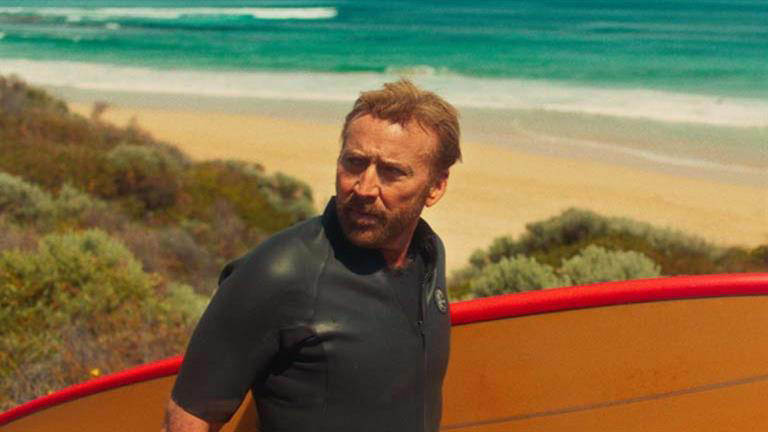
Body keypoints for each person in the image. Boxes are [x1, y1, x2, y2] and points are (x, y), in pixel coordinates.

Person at [162, 79, 461, 432]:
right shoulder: (278, 272)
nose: (364, 188)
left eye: (391, 172)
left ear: (436, 187)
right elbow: (188, 419)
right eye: (354, 163)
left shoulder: (429, 255)